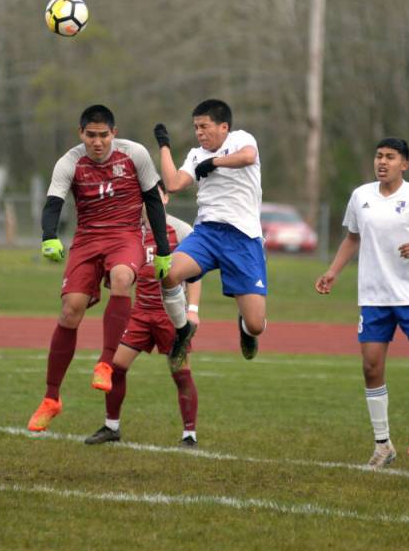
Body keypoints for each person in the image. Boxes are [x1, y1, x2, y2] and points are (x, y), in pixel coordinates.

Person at [28, 105, 171, 432]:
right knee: (70, 310)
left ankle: (105, 364)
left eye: (103, 135)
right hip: (88, 238)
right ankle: (51, 398)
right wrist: (48, 237)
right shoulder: (69, 162)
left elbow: (152, 200)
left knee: (122, 278)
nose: (97, 142)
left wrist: (162, 250)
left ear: (114, 133)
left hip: (125, 235)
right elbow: (54, 202)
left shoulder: (134, 155)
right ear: (81, 134)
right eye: (90, 135)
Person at [315, 137, 409, 471]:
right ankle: (383, 446)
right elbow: (352, 237)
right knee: (371, 367)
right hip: (373, 297)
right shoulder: (360, 196)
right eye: (378, 156)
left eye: (390, 157)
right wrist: (333, 272)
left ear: (404, 164)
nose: (382, 162)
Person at [85, 183, 202, 447]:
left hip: (171, 316)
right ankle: (111, 426)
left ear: (166, 198)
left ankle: (189, 435)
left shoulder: (181, 230)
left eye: (155, 195)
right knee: (116, 367)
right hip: (139, 313)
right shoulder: (132, 232)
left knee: (180, 373)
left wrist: (192, 310)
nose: (149, 201)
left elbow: (195, 274)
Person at [154, 99, 267, 372]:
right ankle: (182, 331)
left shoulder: (241, 139)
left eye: (204, 126)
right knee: (168, 273)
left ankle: (245, 328)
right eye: (196, 128)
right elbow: (173, 183)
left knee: (256, 324)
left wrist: (215, 162)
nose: (199, 133)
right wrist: (165, 146)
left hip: (243, 239)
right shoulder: (195, 154)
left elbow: (248, 157)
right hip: (206, 234)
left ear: (224, 126)